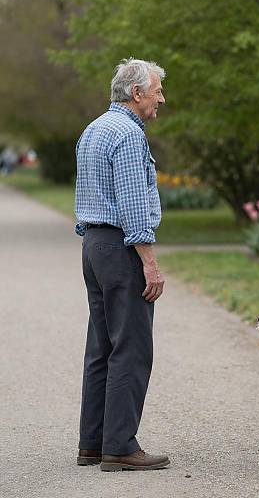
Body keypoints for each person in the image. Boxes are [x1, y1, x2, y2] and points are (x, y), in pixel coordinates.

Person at [74, 58, 169, 471]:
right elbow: (132, 206)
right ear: (137, 93)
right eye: (157, 90)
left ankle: (92, 444)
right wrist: (149, 262)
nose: (161, 98)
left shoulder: (94, 129)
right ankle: (120, 447)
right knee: (131, 347)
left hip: (94, 245)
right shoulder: (129, 135)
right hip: (121, 249)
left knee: (101, 347)